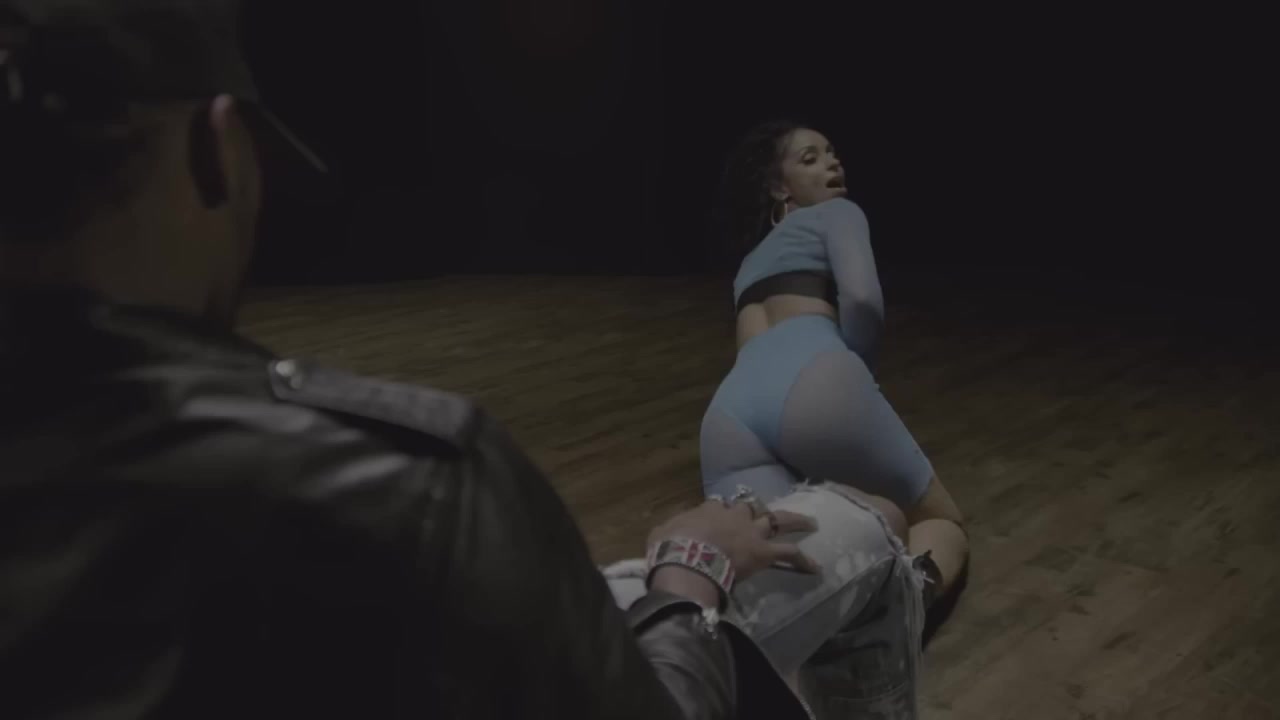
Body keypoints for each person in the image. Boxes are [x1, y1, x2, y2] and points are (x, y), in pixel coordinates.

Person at [0, 3, 923, 718]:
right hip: (790, 431)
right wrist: (690, 570)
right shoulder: (411, 486)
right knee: (868, 529)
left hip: (739, 407)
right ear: (219, 155)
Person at [700, 119, 971, 637]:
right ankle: (897, 611)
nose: (832, 162)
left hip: (729, 415)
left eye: (832, 153)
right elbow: (863, 301)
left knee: (780, 554)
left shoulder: (748, 264)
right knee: (939, 522)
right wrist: (853, 375)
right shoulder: (839, 213)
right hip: (817, 381)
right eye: (810, 157)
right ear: (778, 187)